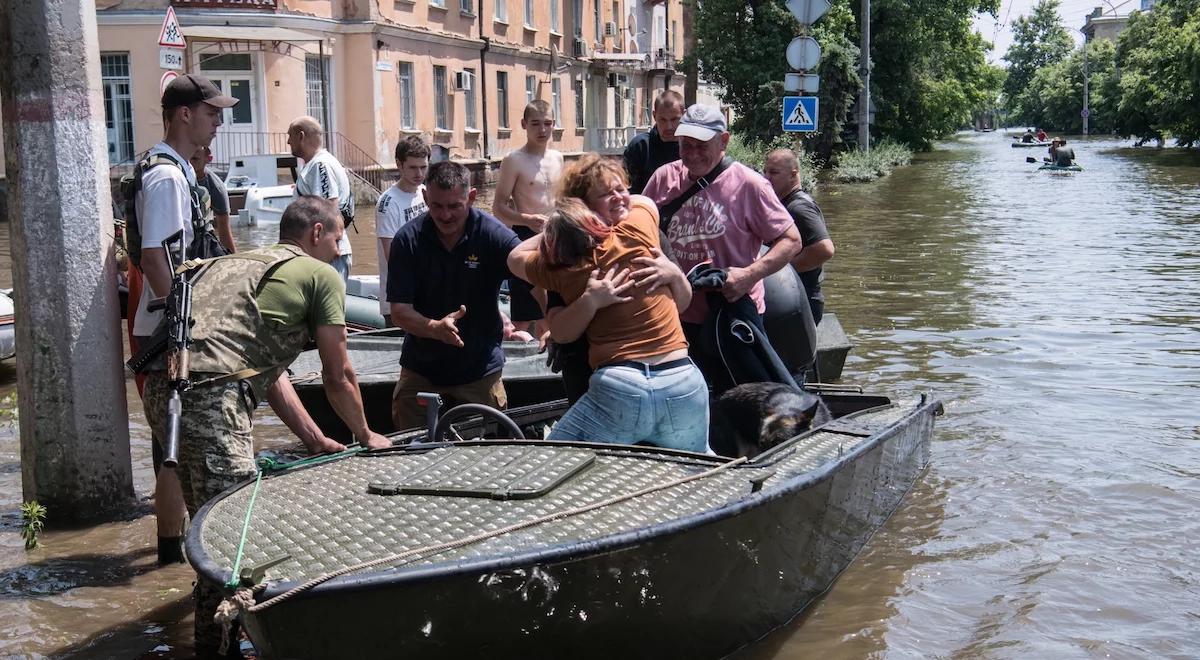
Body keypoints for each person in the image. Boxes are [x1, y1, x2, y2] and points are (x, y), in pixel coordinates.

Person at [140, 197, 390, 657]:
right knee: (234, 540)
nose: (340, 250)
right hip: (210, 397)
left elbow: (264, 371)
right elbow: (338, 375)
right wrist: (366, 434)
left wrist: (315, 438)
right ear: (316, 233)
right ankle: (222, 648)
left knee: (209, 527)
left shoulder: (235, 264)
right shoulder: (320, 276)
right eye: (338, 239)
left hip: (162, 389)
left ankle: (213, 642)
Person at [507, 158, 708, 452]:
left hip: (621, 387)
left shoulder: (561, 261)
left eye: (621, 189)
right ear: (585, 205)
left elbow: (514, 257)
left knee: (556, 460)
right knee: (695, 468)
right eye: (606, 193)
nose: (619, 197)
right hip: (683, 381)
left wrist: (559, 226)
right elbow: (645, 202)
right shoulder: (640, 229)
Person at [125, 74, 236, 567]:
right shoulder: (168, 177)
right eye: (212, 113)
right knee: (178, 442)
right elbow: (156, 259)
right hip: (170, 331)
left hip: (169, 326)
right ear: (185, 114)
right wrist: (185, 329)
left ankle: (170, 555)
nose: (218, 122)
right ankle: (180, 555)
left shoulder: (178, 170)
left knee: (172, 442)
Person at [641, 104, 802, 386]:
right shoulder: (663, 178)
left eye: (701, 146)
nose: (692, 154)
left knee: (740, 397)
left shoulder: (750, 185)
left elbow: (791, 240)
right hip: (674, 315)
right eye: (685, 145)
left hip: (731, 315)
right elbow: (638, 233)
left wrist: (748, 275)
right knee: (681, 395)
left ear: (724, 141)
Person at [387, 161, 521, 431]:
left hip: (479, 368)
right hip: (421, 368)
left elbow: (533, 271)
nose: (445, 215)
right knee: (410, 444)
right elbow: (399, 311)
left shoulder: (493, 235)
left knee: (488, 449)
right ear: (425, 197)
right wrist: (434, 328)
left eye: (454, 206)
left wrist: (551, 321)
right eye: (437, 206)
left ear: (471, 197)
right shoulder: (407, 240)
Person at [492, 99, 564, 334]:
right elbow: (498, 207)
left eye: (547, 123)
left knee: (552, 309)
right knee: (523, 313)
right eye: (535, 124)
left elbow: (562, 201)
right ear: (524, 124)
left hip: (553, 236)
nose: (542, 130)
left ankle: (551, 347)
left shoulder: (558, 158)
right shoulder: (514, 160)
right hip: (525, 235)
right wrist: (526, 219)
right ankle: (516, 348)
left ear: (554, 124)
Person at [763, 148, 835, 325]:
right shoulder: (786, 204)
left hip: (801, 302)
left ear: (793, 175)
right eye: (765, 171)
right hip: (791, 299)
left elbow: (824, 250)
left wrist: (779, 270)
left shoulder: (799, 208)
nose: (766, 177)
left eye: (774, 172)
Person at [288, 115, 354, 283]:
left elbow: (328, 210)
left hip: (327, 257)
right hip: (324, 256)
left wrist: (322, 256)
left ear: (301, 136)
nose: (288, 142)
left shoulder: (319, 165)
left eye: (290, 136)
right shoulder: (318, 163)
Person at [375, 135, 429, 327]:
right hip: (399, 300)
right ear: (399, 164)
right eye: (413, 167)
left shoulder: (425, 193)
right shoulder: (388, 203)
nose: (419, 173)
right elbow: (393, 257)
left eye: (423, 167)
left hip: (425, 293)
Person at [623, 89, 685, 194]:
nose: (669, 127)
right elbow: (628, 189)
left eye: (674, 119)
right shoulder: (640, 147)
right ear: (654, 116)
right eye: (663, 120)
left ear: (684, 115)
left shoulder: (693, 148)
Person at [190, 146, 237, 254]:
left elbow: (224, 230)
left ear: (209, 159)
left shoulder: (216, 188)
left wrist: (232, 259)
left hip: (202, 239)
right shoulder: (176, 174)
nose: (193, 152)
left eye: (195, 159)